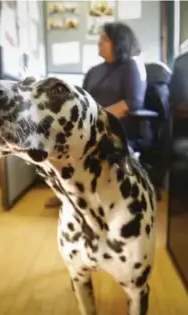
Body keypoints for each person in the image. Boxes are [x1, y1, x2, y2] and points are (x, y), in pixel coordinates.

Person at [45, 21, 147, 208]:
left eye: (104, 38)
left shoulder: (130, 67)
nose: (99, 42)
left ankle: (89, 199)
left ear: (119, 42)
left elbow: (132, 103)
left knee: (88, 147)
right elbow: (80, 100)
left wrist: (95, 118)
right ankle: (68, 194)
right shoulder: (94, 71)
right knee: (55, 140)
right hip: (88, 126)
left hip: (116, 128)